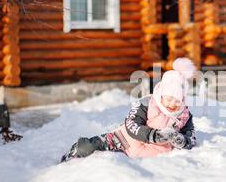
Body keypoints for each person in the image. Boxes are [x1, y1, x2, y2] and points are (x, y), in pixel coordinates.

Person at [61, 58, 197, 162]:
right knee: (89, 148)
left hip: (148, 156)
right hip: (123, 141)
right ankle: (73, 154)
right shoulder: (146, 103)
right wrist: (153, 135)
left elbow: (191, 137)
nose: (172, 104)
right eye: (169, 98)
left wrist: (183, 141)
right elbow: (132, 125)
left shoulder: (184, 115)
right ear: (161, 93)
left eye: (177, 100)